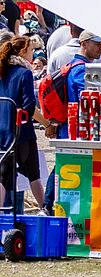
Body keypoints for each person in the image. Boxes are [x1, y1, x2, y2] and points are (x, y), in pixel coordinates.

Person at [0, 35, 43, 211]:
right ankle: (45, 209)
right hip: (21, 131)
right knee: (34, 174)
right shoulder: (24, 73)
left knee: (2, 176)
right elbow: (29, 105)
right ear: (23, 52)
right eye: (31, 50)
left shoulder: (2, 71)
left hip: (3, 130)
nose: (33, 54)